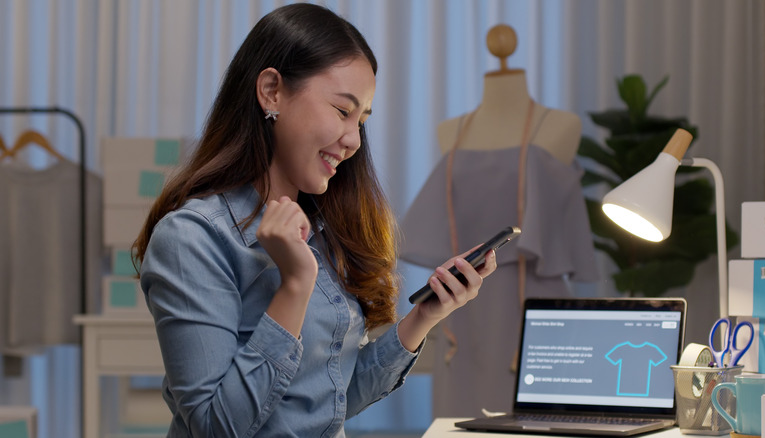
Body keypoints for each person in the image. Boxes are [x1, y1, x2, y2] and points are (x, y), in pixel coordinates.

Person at [131, 3, 496, 437]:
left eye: (362, 120)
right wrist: (294, 285)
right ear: (271, 91)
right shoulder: (191, 239)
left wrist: (425, 317)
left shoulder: (320, 230)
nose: (354, 140)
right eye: (343, 111)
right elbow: (215, 428)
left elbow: (328, 400)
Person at [400, 25, 597, 417]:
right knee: (461, 416)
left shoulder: (560, 126)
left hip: (537, 303)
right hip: (463, 308)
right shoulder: (451, 131)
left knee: (547, 417)